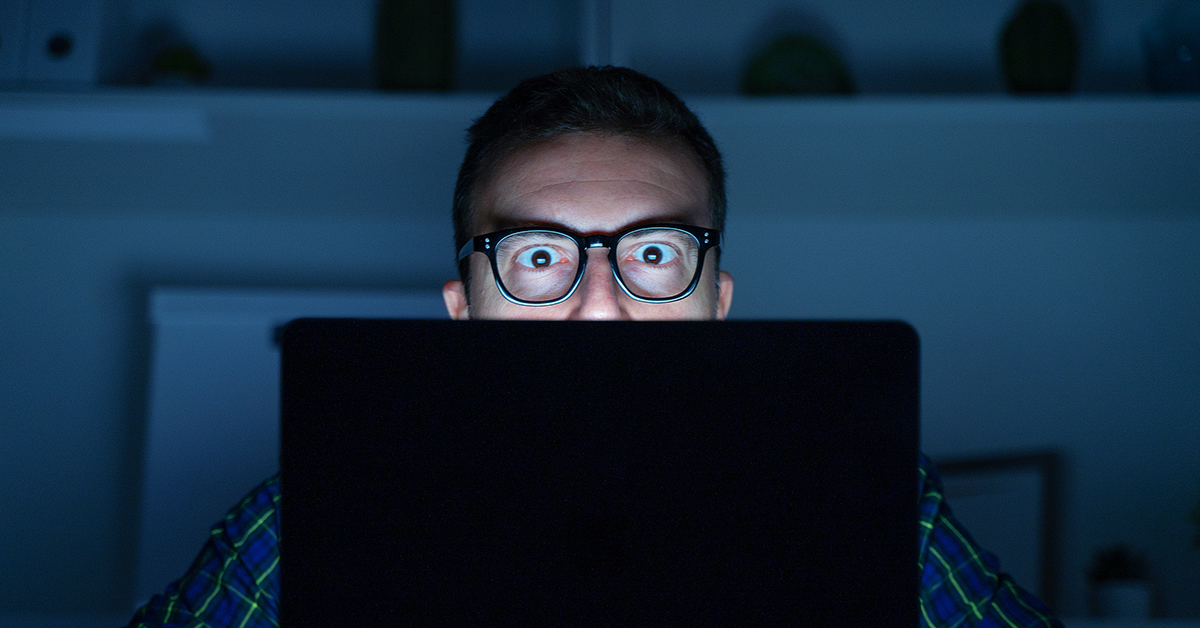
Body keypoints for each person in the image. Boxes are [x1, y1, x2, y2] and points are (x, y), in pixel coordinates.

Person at [127, 66, 1062, 628]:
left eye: (654, 252)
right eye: (540, 256)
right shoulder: (328, 500)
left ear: (718, 300)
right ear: (464, 309)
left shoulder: (869, 494)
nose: (601, 306)